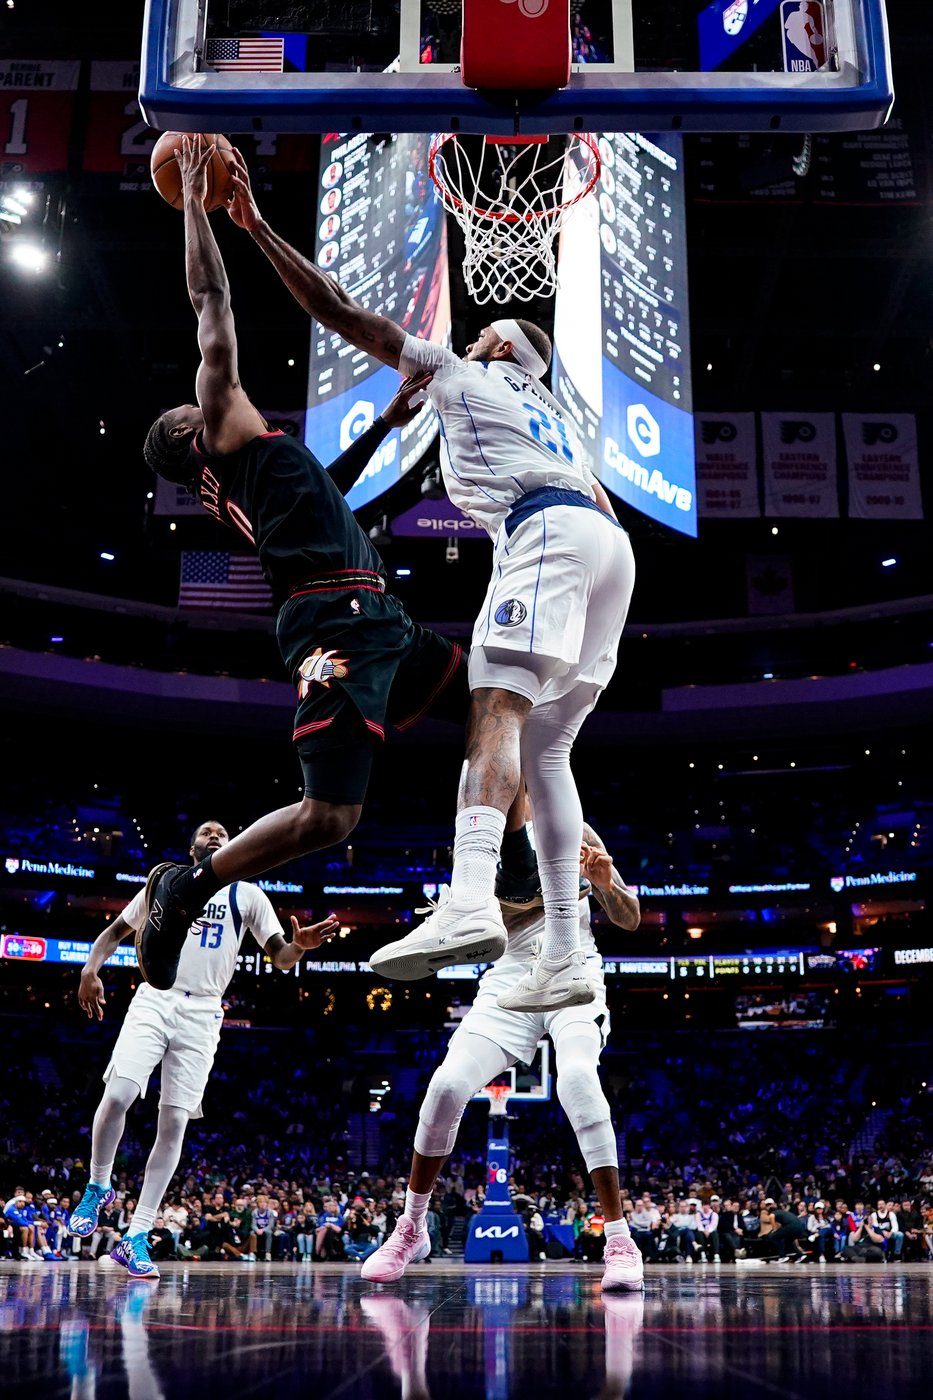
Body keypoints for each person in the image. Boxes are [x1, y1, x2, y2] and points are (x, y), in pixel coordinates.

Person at [224, 145, 636, 1014]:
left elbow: (336, 307)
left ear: (493, 348)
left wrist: (256, 225)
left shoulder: (462, 368)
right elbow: (563, 482)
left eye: (484, 330)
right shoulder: (553, 411)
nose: (473, 331)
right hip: (608, 543)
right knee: (547, 749)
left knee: (494, 710)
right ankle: (565, 952)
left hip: (548, 532)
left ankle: (466, 902)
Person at [134, 136, 482, 995]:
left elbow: (326, 492)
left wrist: (385, 427)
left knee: (494, 711)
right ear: (189, 432)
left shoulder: (250, 462)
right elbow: (209, 295)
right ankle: (195, 883)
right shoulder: (220, 426)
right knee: (332, 816)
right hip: (335, 619)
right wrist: (191, 200)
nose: (200, 390)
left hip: (372, 614)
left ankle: (495, 878)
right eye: (190, 401)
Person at [357, 819, 645, 1293]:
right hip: (508, 980)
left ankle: (619, 1240)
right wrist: (544, 892)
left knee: (576, 1077)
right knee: (447, 1085)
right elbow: (489, 930)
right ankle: (411, 1228)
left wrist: (603, 883)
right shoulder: (481, 839)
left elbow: (629, 917)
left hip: (573, 968)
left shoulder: (576, 826)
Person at [70, 818, 341, 1280]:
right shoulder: (166, 881)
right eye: (205, 832)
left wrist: (299, 946)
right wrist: (89, 969)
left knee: (174, 1121)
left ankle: (136, 1235)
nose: (214, 835)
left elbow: (279, 957)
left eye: (222, 833)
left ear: (233, 846)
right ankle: (98, 1185)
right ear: (193, 845)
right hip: (156, 999)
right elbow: (115, 931)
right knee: (118, 1096)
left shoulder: (247, 895)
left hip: (204, 1013)